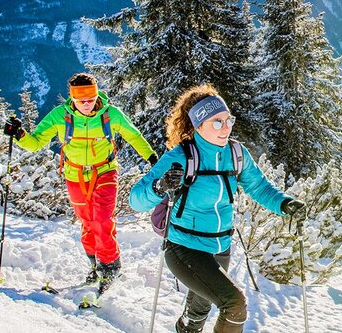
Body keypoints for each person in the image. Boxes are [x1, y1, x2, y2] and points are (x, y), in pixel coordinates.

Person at [130, 84, 305, 333]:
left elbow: (259, 187)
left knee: (199, 309)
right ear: (198, 125)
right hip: (184, 248)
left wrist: (285, 204)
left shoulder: (236, 154)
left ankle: (187, 327)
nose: (226, 127)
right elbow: (136, 200)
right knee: (234, 305)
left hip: (220, 246)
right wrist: (160, 186)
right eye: (217, 122)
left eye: (228, 120)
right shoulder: (180, 157)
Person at [3, 72, 157, 286]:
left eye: (91, 99)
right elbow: (36, 143)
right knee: (87, 222)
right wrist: (19, 134)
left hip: (104, 170)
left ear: (97, 95)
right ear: (72, 98)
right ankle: (95, 266)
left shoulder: (110, 114)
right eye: (81, 100)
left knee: (102, 219)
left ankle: (110, 267)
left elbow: (134, 136)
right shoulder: (59, 116)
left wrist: (152, 158)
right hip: (74, 174)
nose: (87, 104)